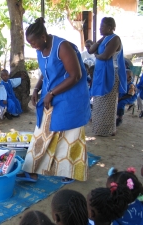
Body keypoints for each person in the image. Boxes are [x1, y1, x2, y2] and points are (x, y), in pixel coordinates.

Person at [18, 17, 90, 183]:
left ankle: (70, 171)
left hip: (71, 95)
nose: (32, 46)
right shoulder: (40, 49)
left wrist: (51, 93)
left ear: (43, 36)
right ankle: (32, 170)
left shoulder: (62, 47)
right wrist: (37, 89)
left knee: (71, 134)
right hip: (53, 93)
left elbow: (76, 75)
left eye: (34, 43)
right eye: (30, 43)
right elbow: (46, 71)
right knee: (42, 131)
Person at [88, 17, 127, 136]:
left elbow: (105, 56)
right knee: (98, 101)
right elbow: (91, 50)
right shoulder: (105, 38)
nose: (100, 28)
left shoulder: (115, 39)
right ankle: (99, 128)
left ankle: (109, 130)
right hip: (101, 74)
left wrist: (96, 55)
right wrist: (99, 42)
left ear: (110, 27)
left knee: (108, 103)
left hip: (110, 74)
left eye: (102, 26)